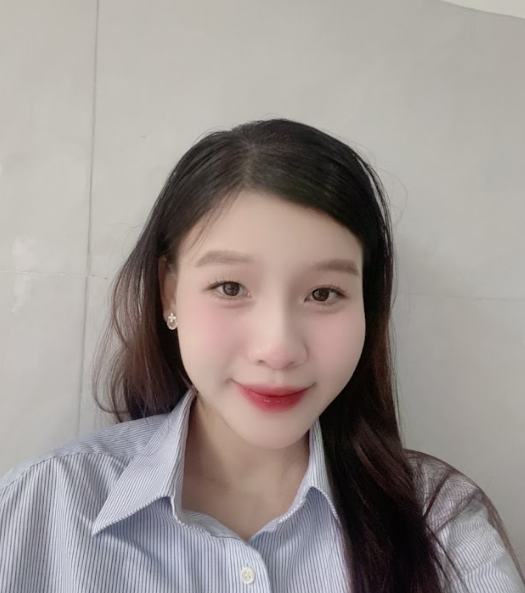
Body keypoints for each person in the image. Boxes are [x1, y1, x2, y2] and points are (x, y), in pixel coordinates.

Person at [0, 119, 523, 593]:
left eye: (323, 294)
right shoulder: (43, 506)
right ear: (169, 293)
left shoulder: (439, 519)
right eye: (230, 287)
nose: (277, 350)